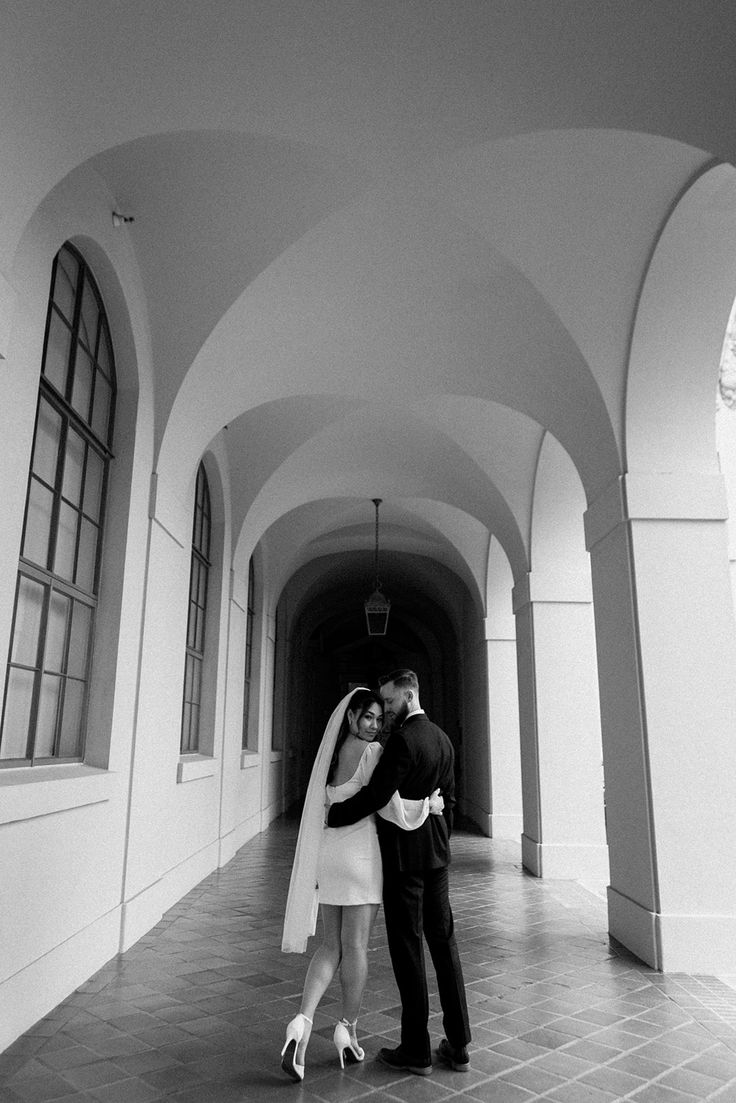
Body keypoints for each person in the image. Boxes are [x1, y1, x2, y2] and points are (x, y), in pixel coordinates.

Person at [280, 687, 441, 1083]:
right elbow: (389, 805)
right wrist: (429, 807)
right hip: (361, 859)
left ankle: (301, 1024)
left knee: (329, 945)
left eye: (376, 718)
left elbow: (322, 808)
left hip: (329, 857)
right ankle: (347, 1028)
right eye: (366, 717)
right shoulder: (371, 755)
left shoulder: (329, 758)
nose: (373, 724)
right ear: (351, 717)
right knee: (355, 948)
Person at [327, 669, 471, 1076]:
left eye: (389, 702)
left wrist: (335, 815)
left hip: (405, 861)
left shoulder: (403, 741)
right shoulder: (443, 739)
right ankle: (459, 1045)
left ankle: (417, 1049)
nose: (385, 710)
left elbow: (375, 796)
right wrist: (441, 842)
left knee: (408, 951)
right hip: (438, 858)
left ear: (409, 695)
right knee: (445, 946)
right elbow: (451, 801)